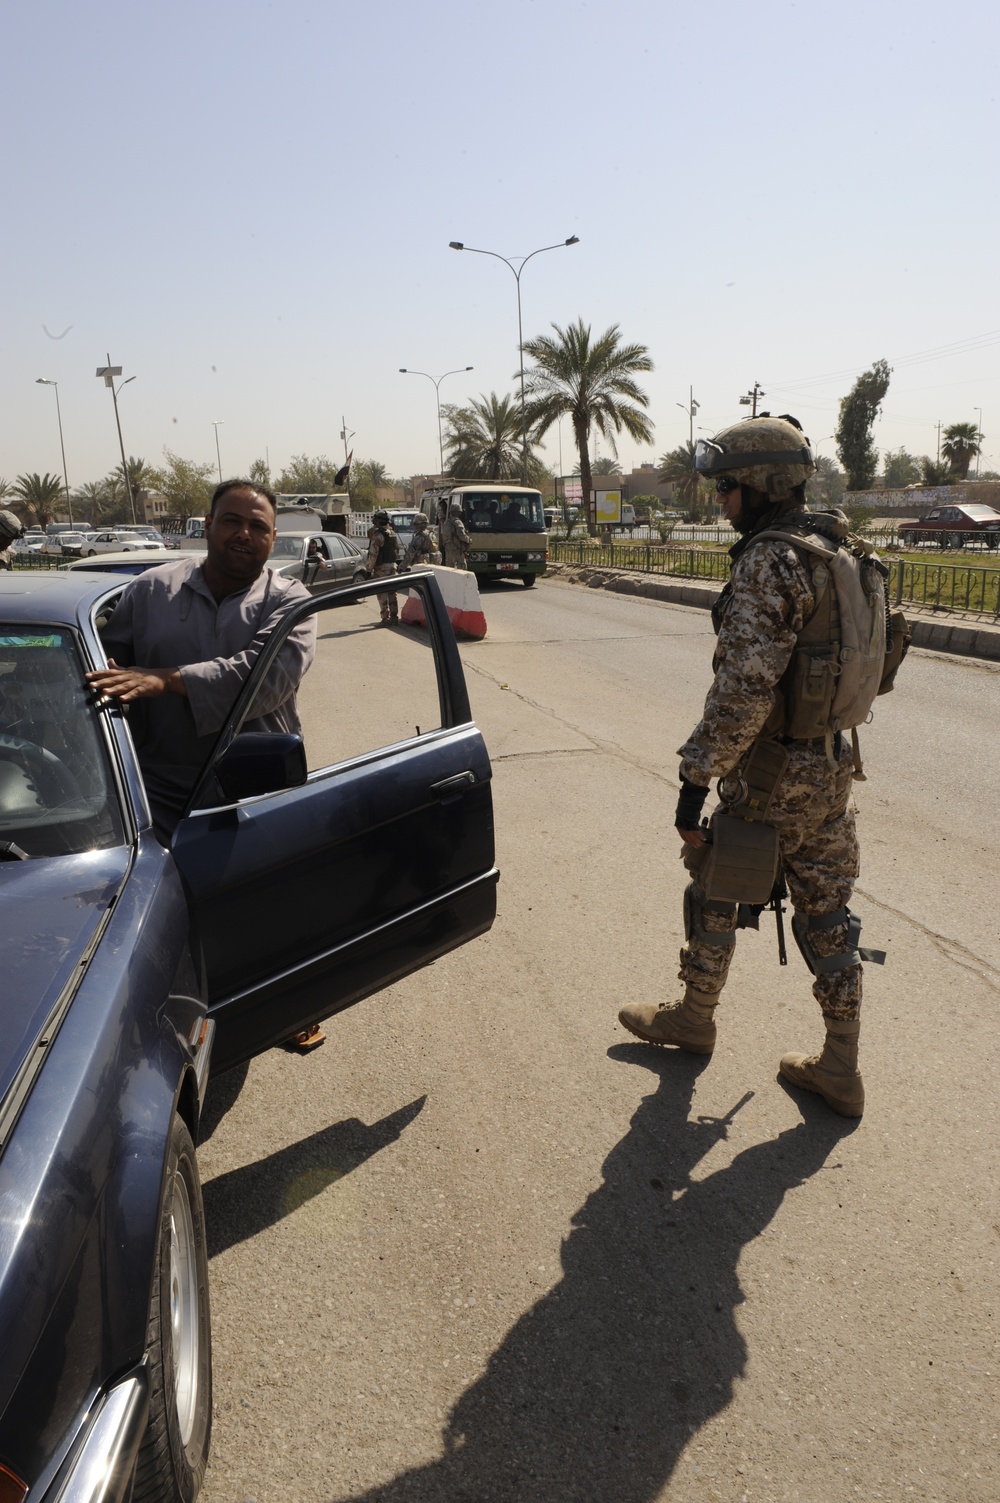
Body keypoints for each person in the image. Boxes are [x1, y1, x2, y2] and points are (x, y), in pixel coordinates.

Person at [618, 415, 890, 1118]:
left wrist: (694, 779)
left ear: (762, 485)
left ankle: (693, 1018)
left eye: (728, 487)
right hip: (831, 769)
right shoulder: (837, 543)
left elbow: (744, 687)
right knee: (829, 914)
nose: (721, 501)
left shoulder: (772, 559)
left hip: (768, 775)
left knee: (713, 888)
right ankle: (842, 1066)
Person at [86, 479, 322, 1048]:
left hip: (255, 784)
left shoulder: (291, 603)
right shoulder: (148, 592)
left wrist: (162, 680)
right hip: (160, 784)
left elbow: (262, 681)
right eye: (232, 521)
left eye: (258, 527)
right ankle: (182, 1019)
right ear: (208, 525)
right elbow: (99, 657)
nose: (244, 534)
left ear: (272, 538)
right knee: (169, 907)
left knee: (267, 900)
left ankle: (285, 1009)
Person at [366, 509, 399, 624]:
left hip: (381, 568)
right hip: (392, 566)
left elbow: (373, 554)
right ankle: (394, 617)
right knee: (392, 592)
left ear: (378, 522)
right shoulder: (392, 533)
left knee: (381, 593)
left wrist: (368, 569)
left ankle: (385, 618)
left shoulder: (378, 536)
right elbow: (397, 550)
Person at [440, 500, 471, 569]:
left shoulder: (446, 522)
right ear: (458, 512)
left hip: (448, 549)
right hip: (456, 549)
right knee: (461, 569)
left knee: (450, 570)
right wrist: (468, 539)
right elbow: (461, 535)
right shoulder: (457, 522)